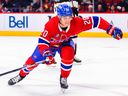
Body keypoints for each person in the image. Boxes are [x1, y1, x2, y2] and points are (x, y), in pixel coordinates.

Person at [8, 4, 123, 90]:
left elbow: (96, 21)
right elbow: (42, 42)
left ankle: (63, 77)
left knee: (68, 57)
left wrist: (110, 29)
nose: (68, 20)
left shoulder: (77, 23)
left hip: (65, 43)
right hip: (50, 46)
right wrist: (47, 54)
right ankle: (20, 75)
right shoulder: (50, 25)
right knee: (32, 60)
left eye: (69, 17)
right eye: (65, 17)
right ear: (59, 17)